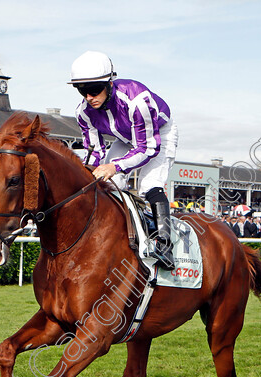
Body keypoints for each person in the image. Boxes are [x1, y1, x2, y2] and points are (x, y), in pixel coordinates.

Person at [68, 51, 178, 268]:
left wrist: (115, 165)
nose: (89, 97)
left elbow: (147, 148)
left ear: (110, 82)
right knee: (106, 184)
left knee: (149, 186)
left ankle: (165, 245)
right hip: (126, 138)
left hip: (158, 136)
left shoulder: (137, 100)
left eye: (93, 89)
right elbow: (95, 152)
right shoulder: (83, 112)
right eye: (82, 90)